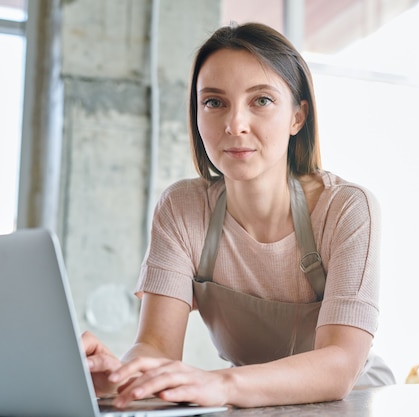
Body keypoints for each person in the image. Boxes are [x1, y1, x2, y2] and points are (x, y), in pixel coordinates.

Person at [82, 21, 395, 409]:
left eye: (261, 100)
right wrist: (120, 378)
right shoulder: (182, 208)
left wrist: (223, 385)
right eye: (214, 102)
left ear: (298, 117)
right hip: (252, 404)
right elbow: (157, 347)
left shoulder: (347, 208)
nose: (235, 125)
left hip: (356, 401)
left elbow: (339, 365)